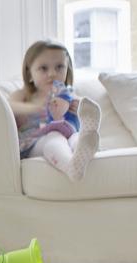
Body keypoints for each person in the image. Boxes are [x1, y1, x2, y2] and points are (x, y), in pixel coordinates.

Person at [7, 40, 101, 182]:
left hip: (69, 134)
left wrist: (79, 106)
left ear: (67, 69)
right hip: (38, 140)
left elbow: (83, 105)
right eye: (43, 68)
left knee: (76, 138)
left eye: (59, 67)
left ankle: (84, 147)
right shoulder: (26, 94)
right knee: (54, 138)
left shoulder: (67, 93)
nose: (52, 73)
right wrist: (36, 108)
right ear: (30, 73)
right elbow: (8, 106)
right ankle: (71, 167)